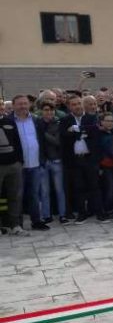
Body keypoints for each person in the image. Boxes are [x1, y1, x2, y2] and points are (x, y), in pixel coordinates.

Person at [60, 94, 107, 224]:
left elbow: (95, 132)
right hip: (74, 159)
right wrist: (83, 133)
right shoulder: (65, 120)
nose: (77, 106)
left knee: (95, 186)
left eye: (79, 103)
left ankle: (100, 213)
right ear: (69, 107)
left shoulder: (91, 118)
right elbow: (64, 135)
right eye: (74, 104)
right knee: (78, 187)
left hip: (90, 158)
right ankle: (82, 213)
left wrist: (76, 130)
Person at [12, 94, 49, 230]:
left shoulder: (36, 120)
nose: (22, 106)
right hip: (17, 165)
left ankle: (36, 221)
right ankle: (17, 223)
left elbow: (42, 141)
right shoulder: (9, 121)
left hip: (35, 163)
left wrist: (43, 159)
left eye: (25, 103)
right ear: (14, 106)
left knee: (34, 194)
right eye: (19, 104)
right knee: (17, 195)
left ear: (29, 105)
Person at [38, 101, 68, 225]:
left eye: (51, 110)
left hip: (56, 160)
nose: (48, 112)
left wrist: (43, 134)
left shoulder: (58, 123)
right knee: (44, 191)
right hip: (43, 161)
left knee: (59, 189)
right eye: (46, 110)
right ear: (41, 111)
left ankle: (63, 214)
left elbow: (57, 141)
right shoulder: (37, 123)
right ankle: (46, 215)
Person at [0, 108, 26, 235]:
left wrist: (19, 161)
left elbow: (17, 142)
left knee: (15, 195)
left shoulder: (9, 121)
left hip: (14, 165)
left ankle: (15, 225)